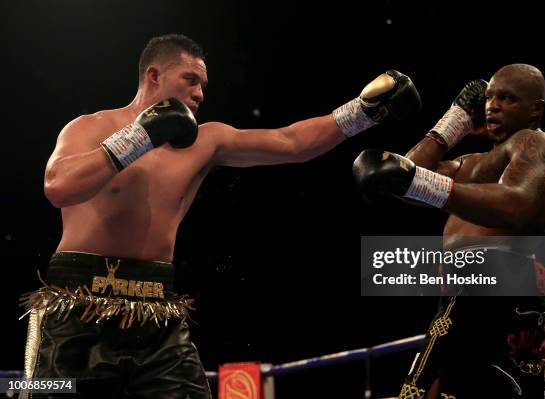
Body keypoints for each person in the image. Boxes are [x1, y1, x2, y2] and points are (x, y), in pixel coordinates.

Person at [19, 33, 421, 398]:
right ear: (154, 76)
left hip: (157, 313)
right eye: (190, 79)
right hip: (76, 309)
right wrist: (139, 137)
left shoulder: (205, 141)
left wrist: (364, 112)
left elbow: (291, 142)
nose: (199, 93)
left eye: (203, 86)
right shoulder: (92, 127)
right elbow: (58, 186)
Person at [353, 64, 545, 398]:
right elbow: (406, 178)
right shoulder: (472, 164)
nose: (492, 106)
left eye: (507, 98)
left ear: (535, 108)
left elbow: (519, 204)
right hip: (465, 297)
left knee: (420, 391)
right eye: (489, 98)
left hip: (495, 290)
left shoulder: (538, 144)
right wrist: (453, 122)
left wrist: (416, 181)